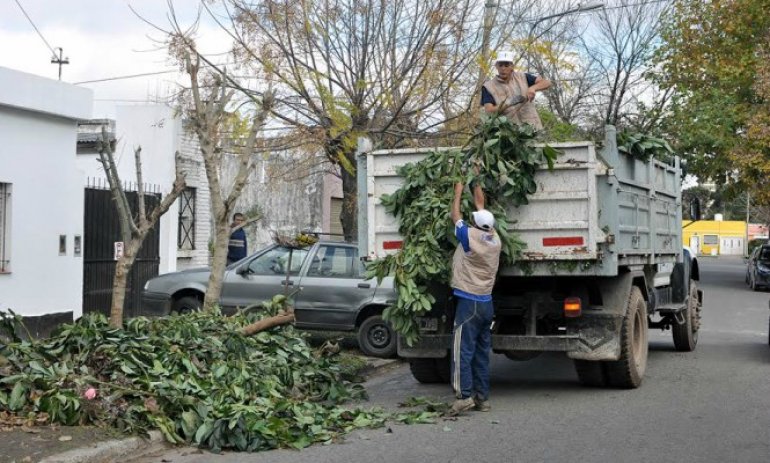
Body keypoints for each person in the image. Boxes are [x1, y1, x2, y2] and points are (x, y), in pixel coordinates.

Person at [448, 181, 502, 416]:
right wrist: (477, 181)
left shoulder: (469, 237)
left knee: (463, 352)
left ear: (476, 225)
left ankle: (464, 396)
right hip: (486, 304)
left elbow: (454, 215)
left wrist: (458, 192)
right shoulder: (495, 239)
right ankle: (483, 398)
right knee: (481, 353)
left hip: (468, 304)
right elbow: (481, 205)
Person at [481, 50, 552, 131]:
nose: (503, 68)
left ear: (512, 66)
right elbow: (489, 111)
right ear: (496, 66)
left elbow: (547, 83)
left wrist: (532, 88)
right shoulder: (488, 86)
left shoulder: (523, 77)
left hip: (533, 129)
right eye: (500, 65)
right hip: (510, 134)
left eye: (506, 65)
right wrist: (508, 103)